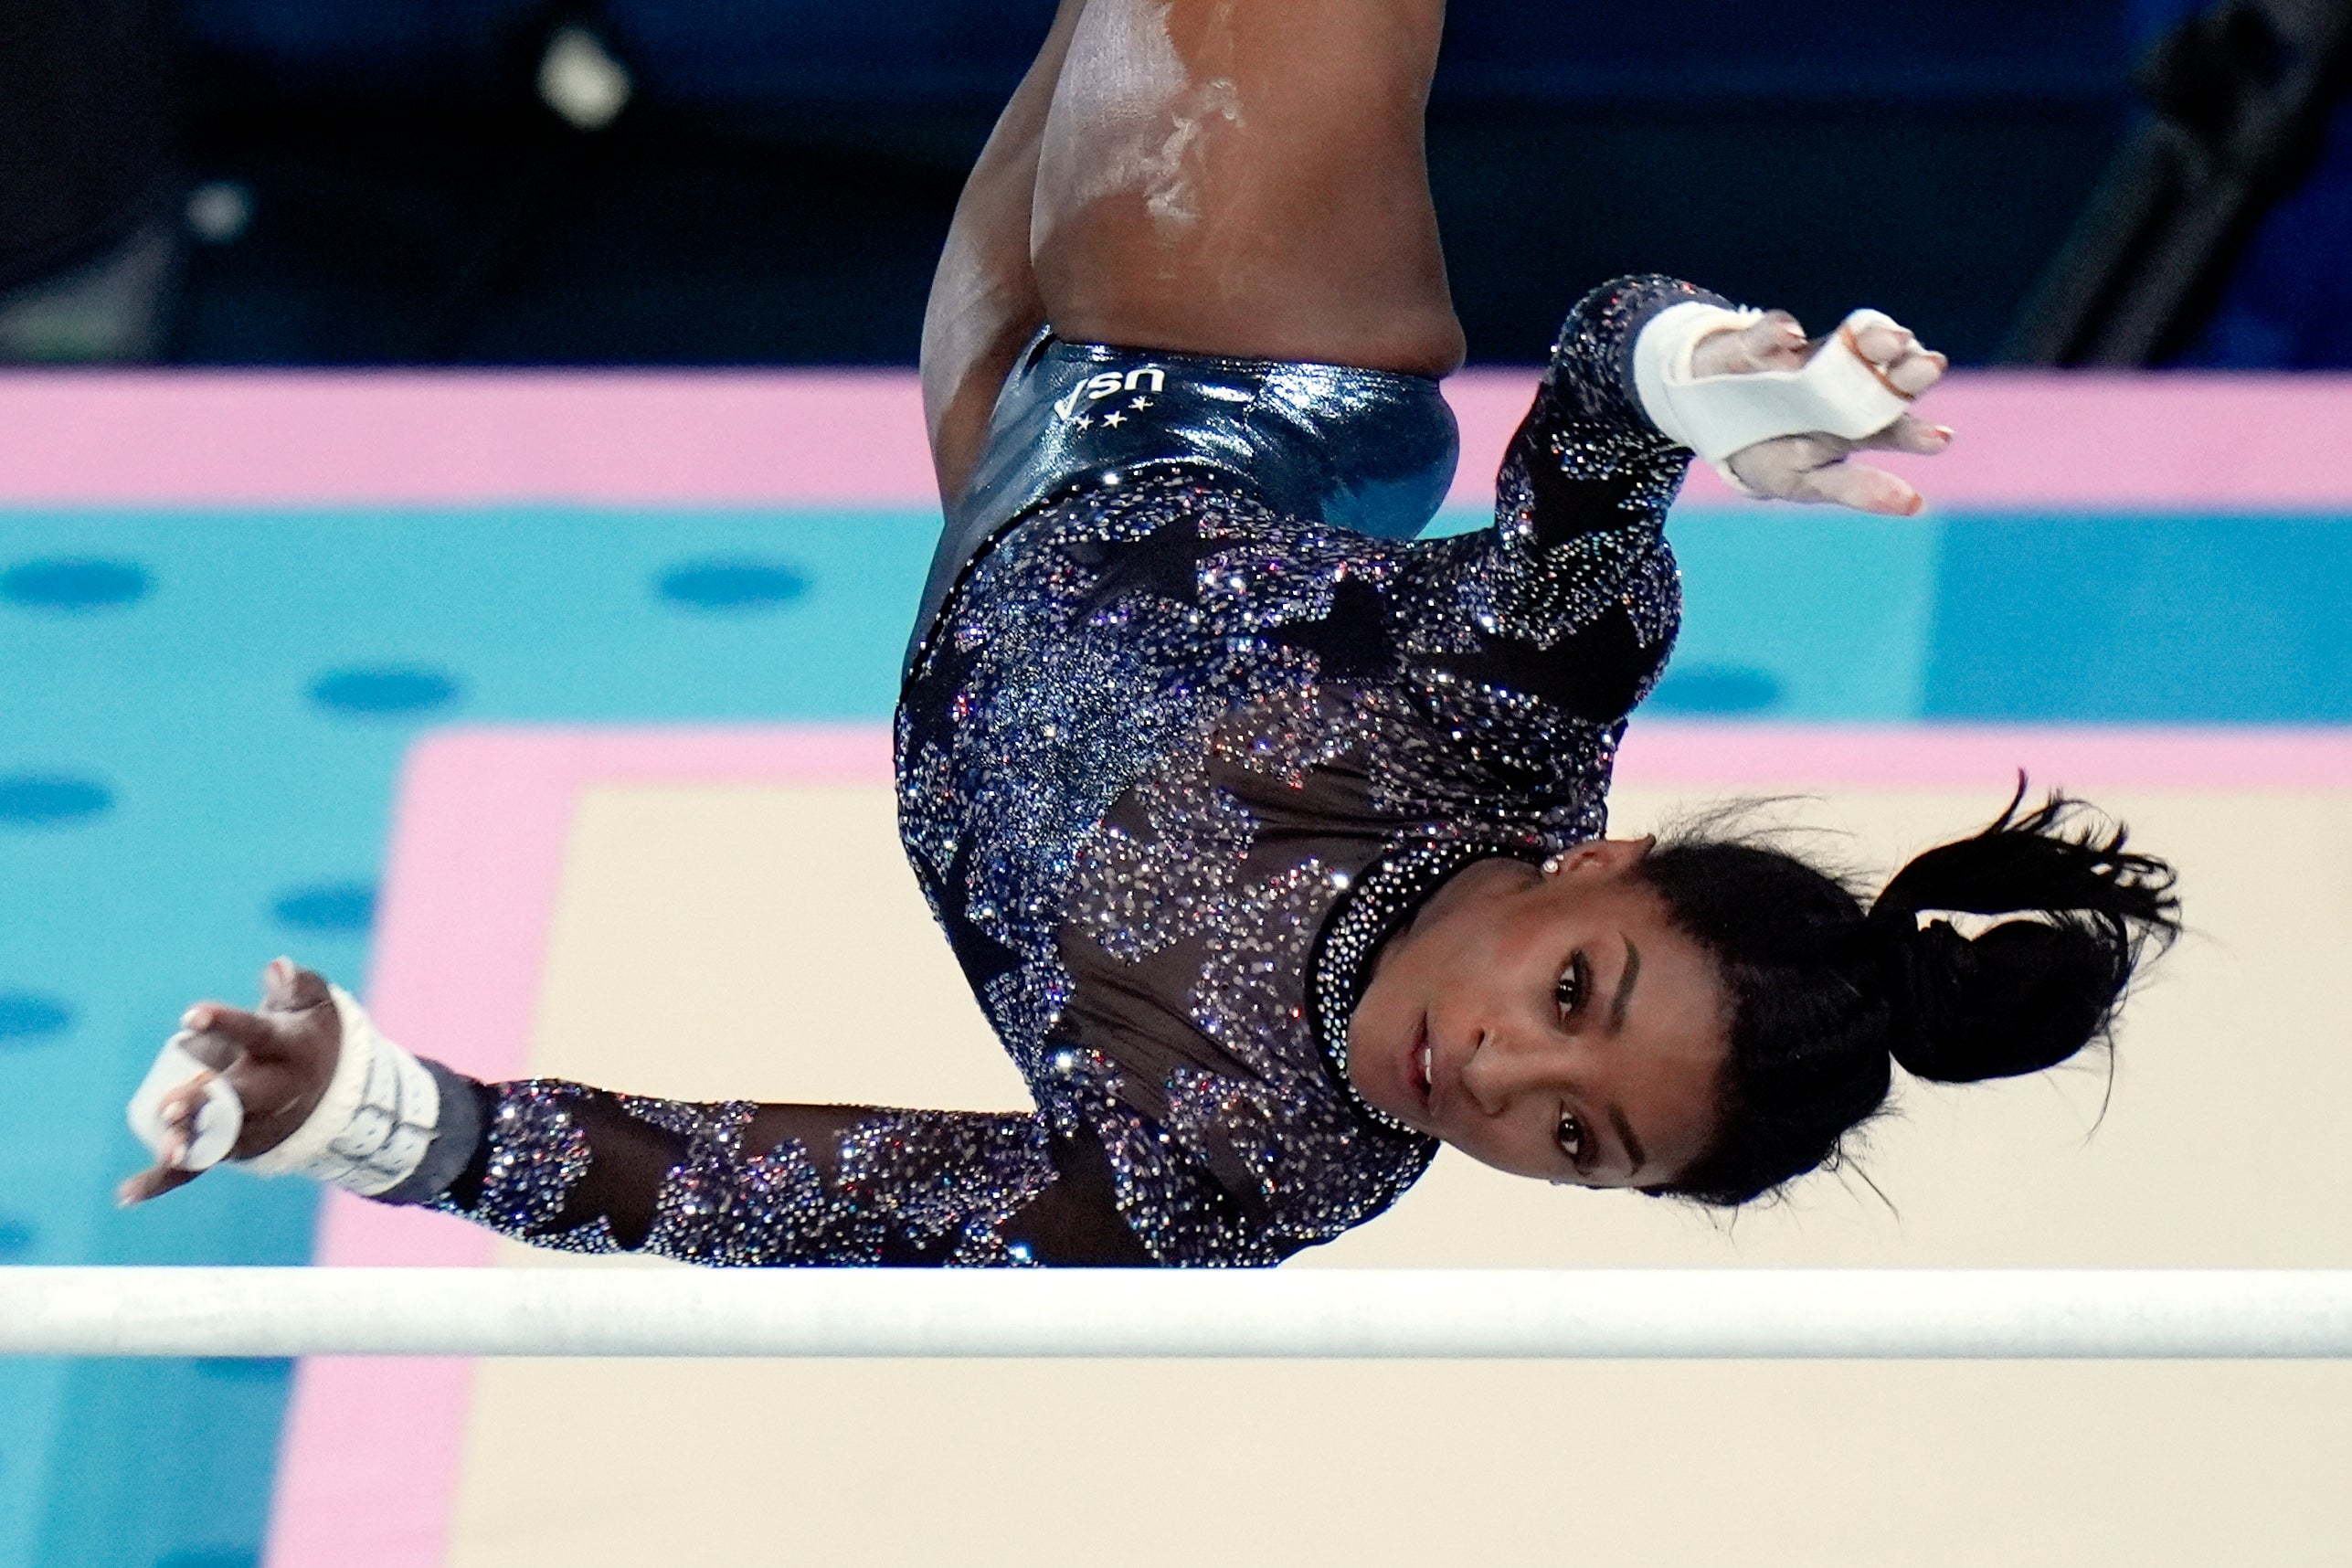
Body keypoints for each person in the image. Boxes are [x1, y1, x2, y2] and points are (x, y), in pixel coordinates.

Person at [120, 0, 2178, 1264]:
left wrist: (388, 1128)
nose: (1502, 1069)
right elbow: (1597, 408)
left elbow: (809, 1195)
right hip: (1235, 340)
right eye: (1578, 989)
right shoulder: (1516, 716)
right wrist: (1703, 376)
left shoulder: (1245, 1178)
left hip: (1004, 473)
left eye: (1580, 1136)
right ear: (1601, 866)